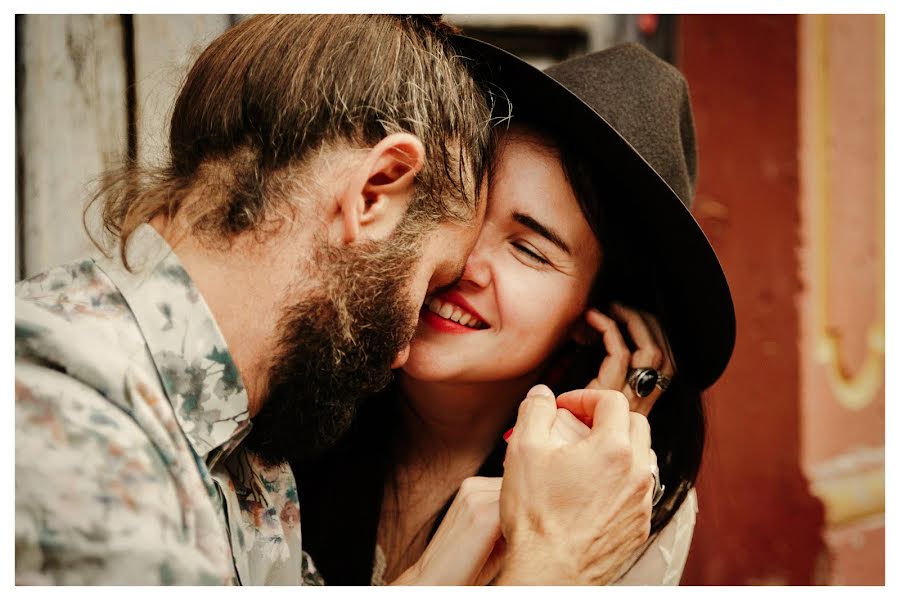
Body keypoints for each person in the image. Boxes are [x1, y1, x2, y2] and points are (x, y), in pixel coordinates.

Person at [15, 16, 657, 585]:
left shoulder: (250, 459)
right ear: (374, 192)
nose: (405, 345)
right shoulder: (65, 424)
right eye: (432, 277)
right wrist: (553, 565)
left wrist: (482, 524)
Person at [295, 39, 736, 585]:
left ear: (594, 315)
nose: (464, 264)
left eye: (529, 250)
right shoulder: (295, 387)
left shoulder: (628, 496)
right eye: (462, 211)